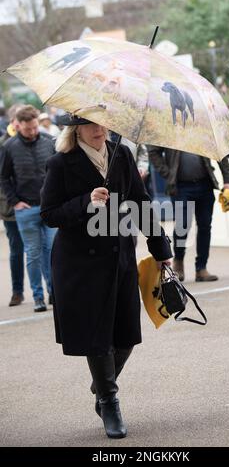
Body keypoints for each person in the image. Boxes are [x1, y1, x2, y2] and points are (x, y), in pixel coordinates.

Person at [40, 115, 172, 439]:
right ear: (76, 130)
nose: (99, 130)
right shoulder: (61, 163)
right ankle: (110, 401)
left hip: (119, 257)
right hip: (78, 266)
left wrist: (160, 246)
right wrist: (86, 202)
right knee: (97, 337)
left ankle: (101, 385)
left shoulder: (121, 154)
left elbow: (141, 202)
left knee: (126, 336)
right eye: (91, 125)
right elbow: (49, 214)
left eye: (103, 124)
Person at [148, 146, 229, 282]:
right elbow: (153, 151)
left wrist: (228, 179)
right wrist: (167, 173)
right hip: (180, 187)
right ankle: (179, 261)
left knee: (205, 226)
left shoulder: (203, 127)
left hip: (205, 184)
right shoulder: (169, 128)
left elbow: (219, 150)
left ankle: (201, 268)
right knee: (183, 226)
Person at [0, 105, 56, 311]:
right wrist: (15, 201)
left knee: (51, 251)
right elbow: (4, 177)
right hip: (26, 209)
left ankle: (53, 292)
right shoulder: (9, 146)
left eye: (34, 128)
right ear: (18, 126)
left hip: (49, 207)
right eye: (27, 129)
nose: (32, 132)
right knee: (32, 253)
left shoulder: (49, 141)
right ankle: (38, 296)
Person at [0, 104, 25, 306]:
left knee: (42, 249)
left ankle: (49, 291)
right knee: (16, 249)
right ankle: (17, 291)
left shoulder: (38, 139)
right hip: (11, 208)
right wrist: (11, 203)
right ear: (13, 122)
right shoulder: (4, 144)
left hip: (34, 204)